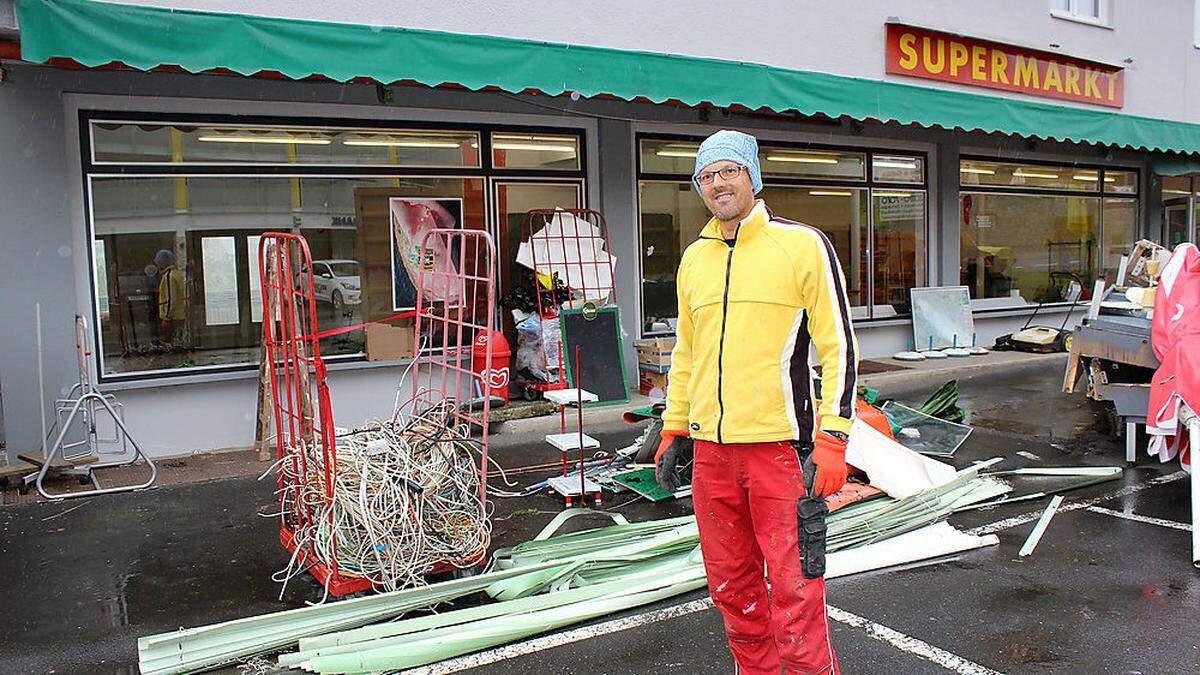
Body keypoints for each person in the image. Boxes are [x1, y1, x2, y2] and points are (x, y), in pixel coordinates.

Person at [656, 129, 858, 675]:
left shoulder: (801, 245)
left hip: (779, 451)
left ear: (752, 177)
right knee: (732, 588)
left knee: (795, 594)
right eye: (707, 175)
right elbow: (687, 352)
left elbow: (838, 345)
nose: (718, 183)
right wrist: (674, 427)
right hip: (713, 455)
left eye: (729, 171)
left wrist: (834, 437)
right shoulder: (695, 259)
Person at [155, 249, 186, 343]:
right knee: (179, 343)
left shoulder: (169, 276)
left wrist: (167, 318)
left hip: (173, 318)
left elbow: (171, 298)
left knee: (171, 344)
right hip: (180, 315)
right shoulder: (177, 274)